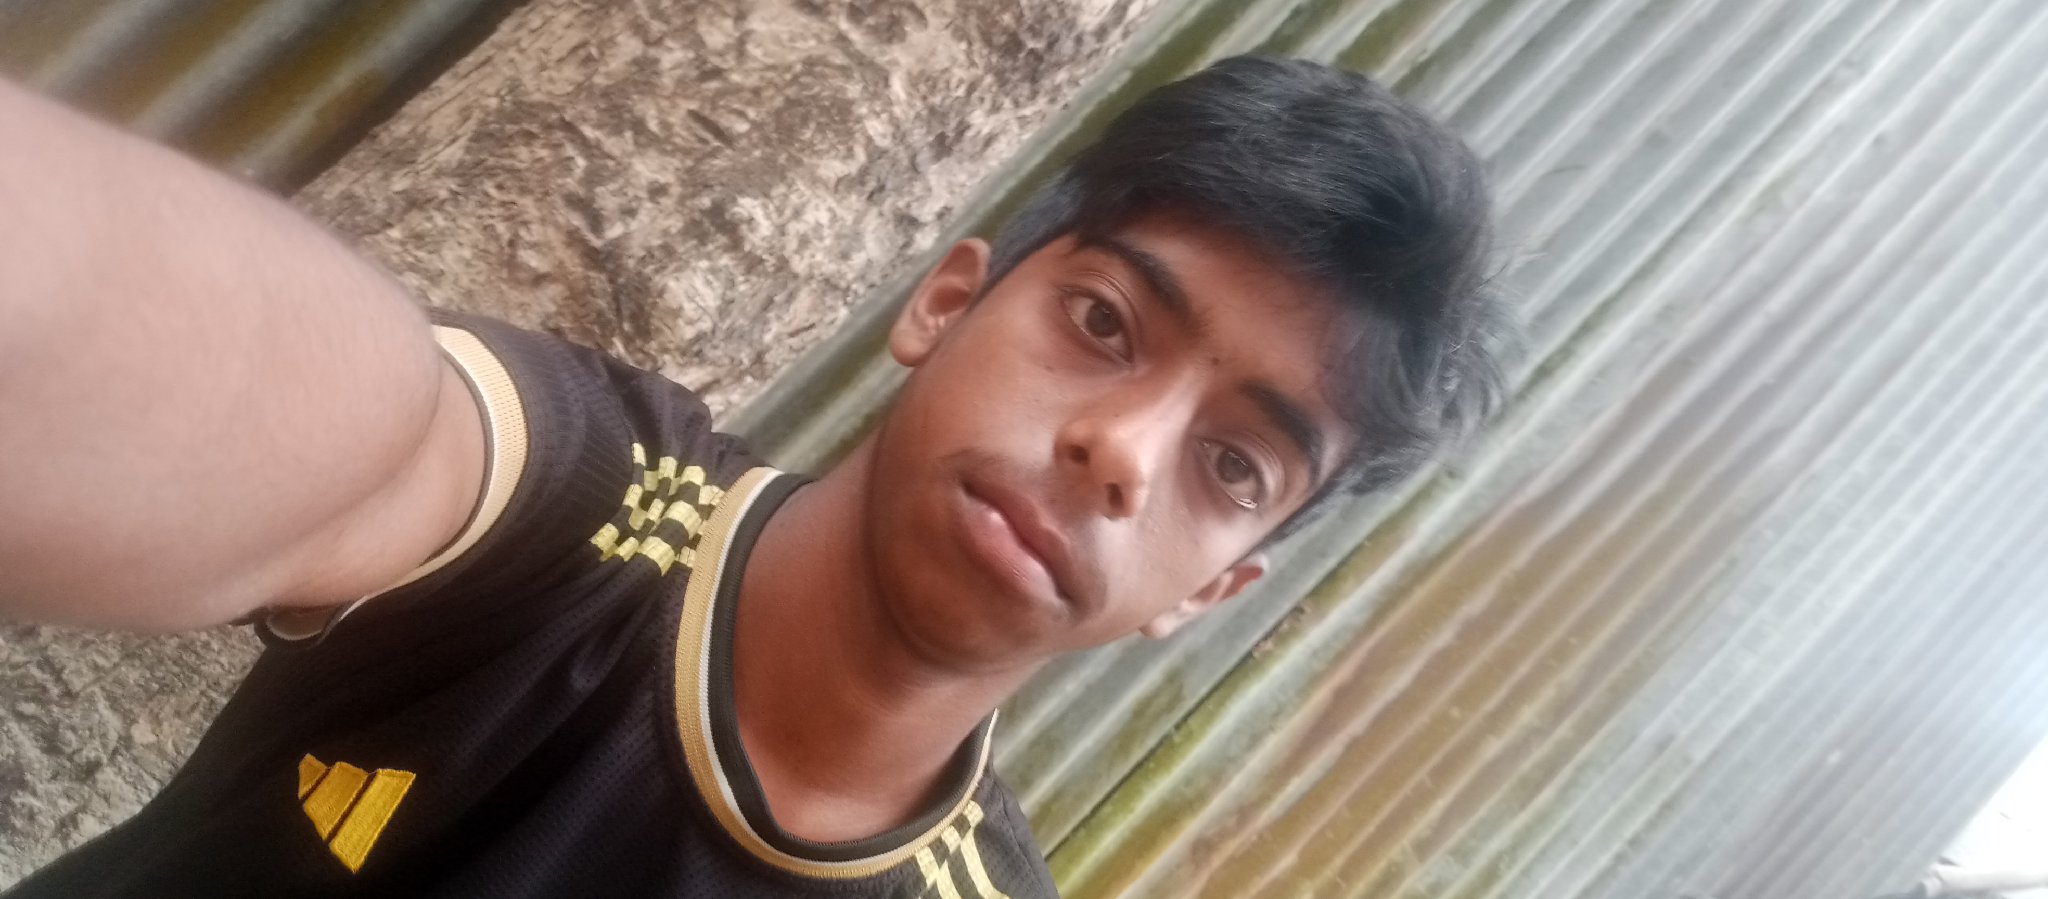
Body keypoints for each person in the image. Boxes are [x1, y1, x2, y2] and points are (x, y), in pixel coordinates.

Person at [0, 54, 1506, 898]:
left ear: (1215, 591)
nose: (1122, 449)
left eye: (1234, 465)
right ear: (946, 303)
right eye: (1105, 323)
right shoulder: (580, 510)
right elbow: (343, 423)